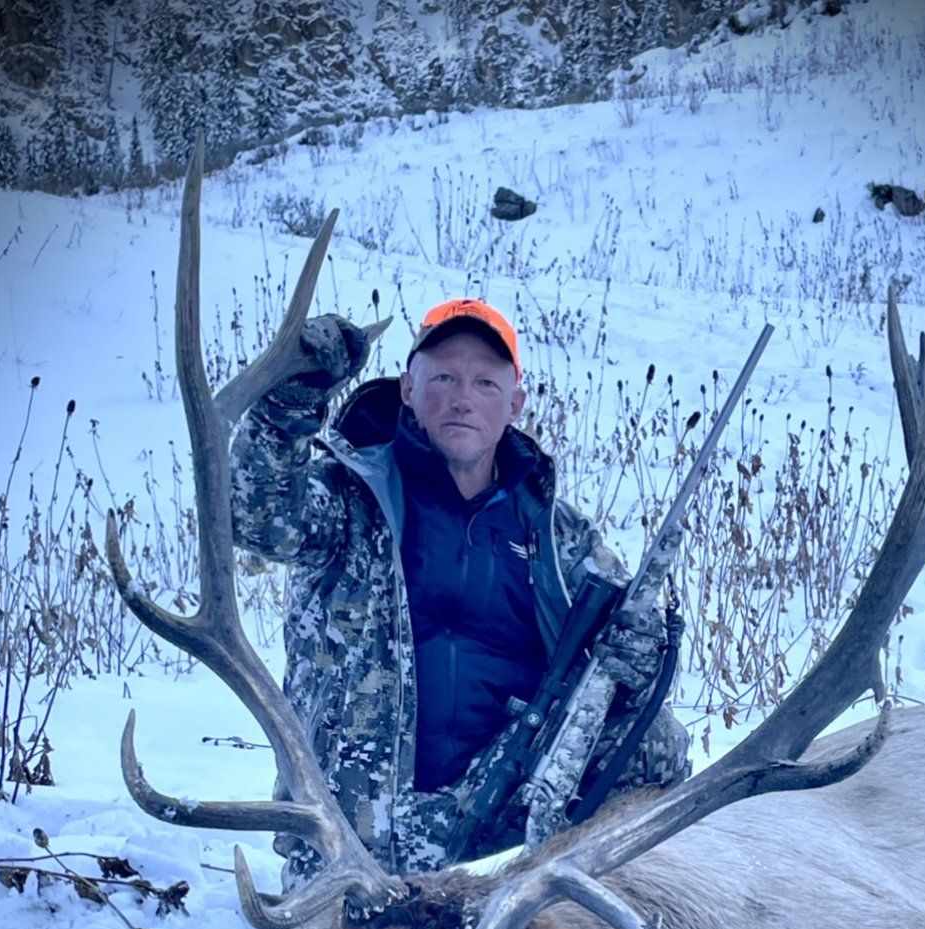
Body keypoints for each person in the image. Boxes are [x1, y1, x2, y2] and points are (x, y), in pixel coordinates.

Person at [229, 297, 690, 880]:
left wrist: (641, 658)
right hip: (358, 832)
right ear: (408, 389)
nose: (462, 398)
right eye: (444, 377)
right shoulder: (348, 499)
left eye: (485, 383)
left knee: (654, 745)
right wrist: (290, 403)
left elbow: (631, 661)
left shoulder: (559, 536)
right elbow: (257, 517)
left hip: (498, 824)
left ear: (514, 404)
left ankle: (596, 893)